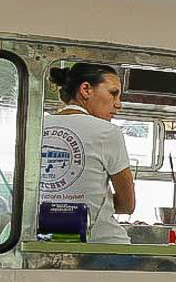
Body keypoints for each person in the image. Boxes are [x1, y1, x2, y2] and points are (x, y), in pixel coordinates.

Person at [40, 63, 134, 244]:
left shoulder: (37, 126)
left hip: (46, 240)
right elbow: (127, 205)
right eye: (113, 93)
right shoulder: (107, 132)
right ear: (85, 89)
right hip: (103, 245)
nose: (118, 104)